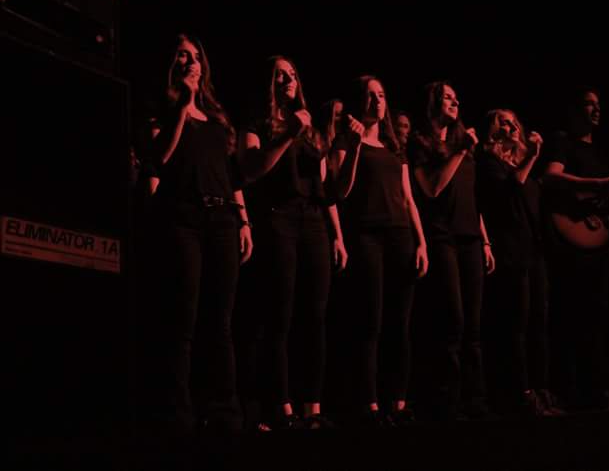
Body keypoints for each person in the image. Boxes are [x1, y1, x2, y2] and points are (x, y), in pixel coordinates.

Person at [149, 33, 252, 435]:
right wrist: (182, 106)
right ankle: (178, 414)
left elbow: (232, 175)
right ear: (171, 63)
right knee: (184, 318)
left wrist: (245, 221)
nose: (190, 60)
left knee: (221, 321)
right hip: (184, 218)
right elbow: (159, 158)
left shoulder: (218, 120)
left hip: (223, 219)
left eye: (195, 56)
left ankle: (224, 412)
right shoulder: (162, 111)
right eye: (182, 54)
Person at [238, 56, 347, 430]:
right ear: (268, 83)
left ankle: (312, 408)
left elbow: (326, 189)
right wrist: (287, 135)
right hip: (278, 218)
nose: (287, 79)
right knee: (279, 314)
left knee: (315, 316)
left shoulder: (311, 130)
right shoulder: (257, 124)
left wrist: (338, 235)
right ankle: (281, 407)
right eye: (279, 75)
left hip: (313, 221)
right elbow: (251, 169)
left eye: (292, 74)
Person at [332, 75, 428, 427]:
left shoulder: (393, 147)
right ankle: (369, 403)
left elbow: (408, 197)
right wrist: (356, 146)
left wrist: (421, 241)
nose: (377, 101)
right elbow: (340, 190)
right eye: (371, 95)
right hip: (367, 235)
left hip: (400, 235)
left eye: (382, 95)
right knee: (370, 320)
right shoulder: (345, 141)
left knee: (399, 323)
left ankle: (398, 402)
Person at [408, 81, 495, 422]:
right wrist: (459, 151)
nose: (455, 101)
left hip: (470, 237)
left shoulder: (464, 145)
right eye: (447, 97)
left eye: (456, 97)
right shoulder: (420, 143)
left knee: (474, 323)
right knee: (453, 320)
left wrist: (485, 240)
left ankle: (476, 399)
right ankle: (449, 401)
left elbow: (473, 199)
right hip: (442, 237)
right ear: (432, 102)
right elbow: (431, 189)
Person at [542, 86, 609, 410]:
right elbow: (551, 176)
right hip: (572, 245)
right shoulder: (562, 141)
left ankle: (596, 388)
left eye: (598, 104)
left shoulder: (603, 154)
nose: (596, 109)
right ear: (573, 110)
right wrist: (600, 184)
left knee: (598, 316)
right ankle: (570, 390)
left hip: (600, 246)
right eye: (588, 104)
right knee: (572, 316)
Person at [475, 108, 562, 416]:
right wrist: (533, 157)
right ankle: (520, 392)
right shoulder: (488, 163)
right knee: (517, 323)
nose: (510, 126)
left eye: (513, 122)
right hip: (511, 252)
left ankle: (541, 388)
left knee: (539, 321)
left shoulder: (523, 165)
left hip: (534, 251)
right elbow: (508, 191)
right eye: (503, 122)